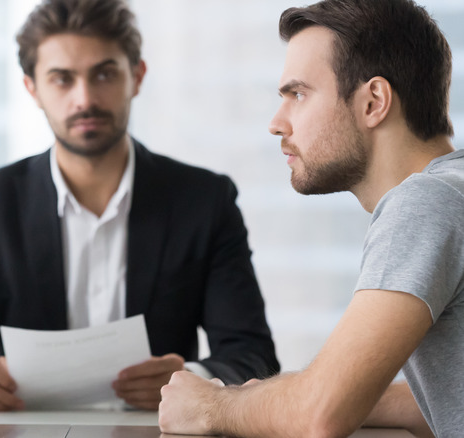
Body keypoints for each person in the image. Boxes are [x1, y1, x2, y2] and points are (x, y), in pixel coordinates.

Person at [0, 0, 278, 413]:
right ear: (32, 89)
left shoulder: (205, 201)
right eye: (62, 79)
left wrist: (193, 381)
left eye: (104, 74)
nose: (85, 98)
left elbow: (251, 354)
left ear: (137, 76)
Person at [158, 0, 460, 437]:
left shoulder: (425, 202)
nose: (276, 124)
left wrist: (212, 404)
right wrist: (286, 397)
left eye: (298, 94)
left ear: (373, 101)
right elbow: (440, 398)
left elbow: (320, 416)